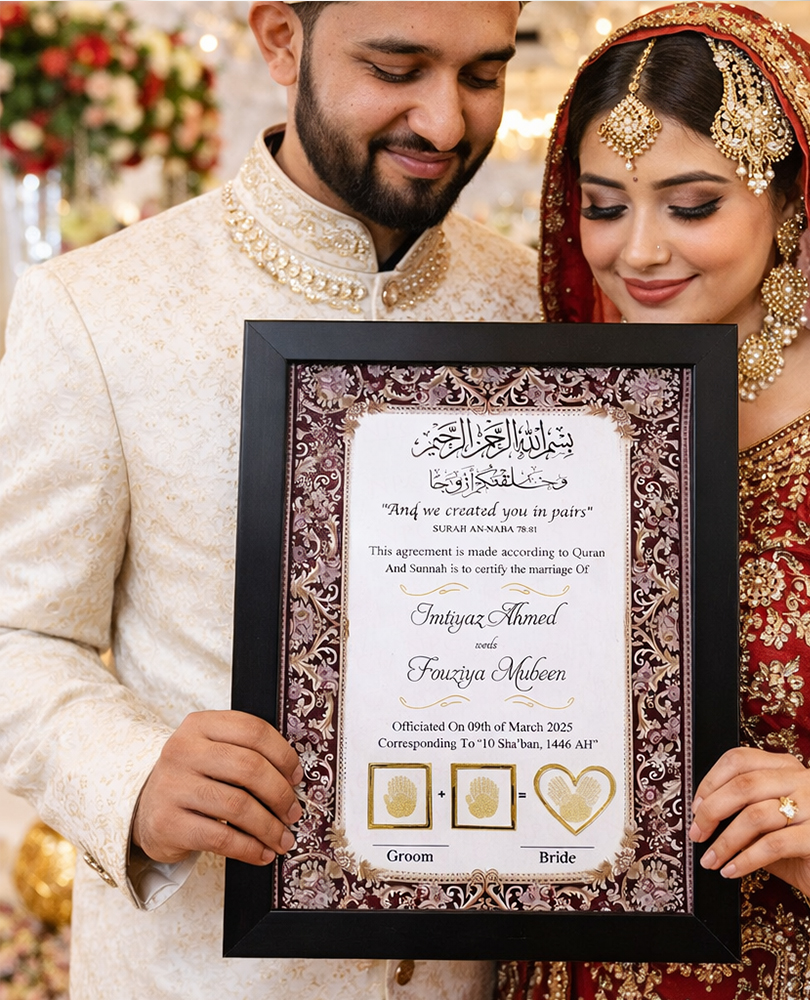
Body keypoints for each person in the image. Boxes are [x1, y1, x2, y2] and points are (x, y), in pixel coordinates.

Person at [0, 3, 537, 998]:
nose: (445, 122)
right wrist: (131, 773)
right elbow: (17, 631)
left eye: (481, 75)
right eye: (397, 69)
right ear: (282, 41)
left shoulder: (537, 304)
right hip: (199, 973)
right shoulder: (100, 309)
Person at [503, 4, 810, 998]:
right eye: (603, 206)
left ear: (788, 202)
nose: (638, 251)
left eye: (691, 205)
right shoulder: (553, 424)